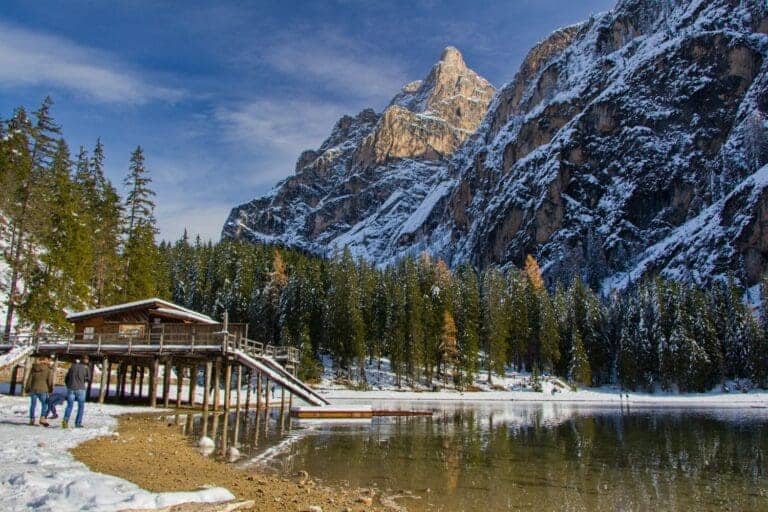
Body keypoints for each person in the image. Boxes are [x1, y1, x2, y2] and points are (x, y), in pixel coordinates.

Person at [63, 355, 91, 428]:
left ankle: (65, 421)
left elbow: (66, 378)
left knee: (69, 406)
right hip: (81, 388)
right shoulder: (86, 368)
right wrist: (83, 379)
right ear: (85, 360)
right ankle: (78, 423)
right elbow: (89, 378)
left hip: (71, 388)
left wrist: (68, 385)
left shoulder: (72, 367)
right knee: (81, 407)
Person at [26, 356, 54, 427]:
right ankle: (42, 418)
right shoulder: (47, 369)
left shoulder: (34, 368)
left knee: (33, 405)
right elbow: (49, 380)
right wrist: (51, 389)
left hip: (33, 388)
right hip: (43, 389)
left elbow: (29, 379)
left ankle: (32, 419)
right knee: (45, 404)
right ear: (45, 361)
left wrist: (27, 387)